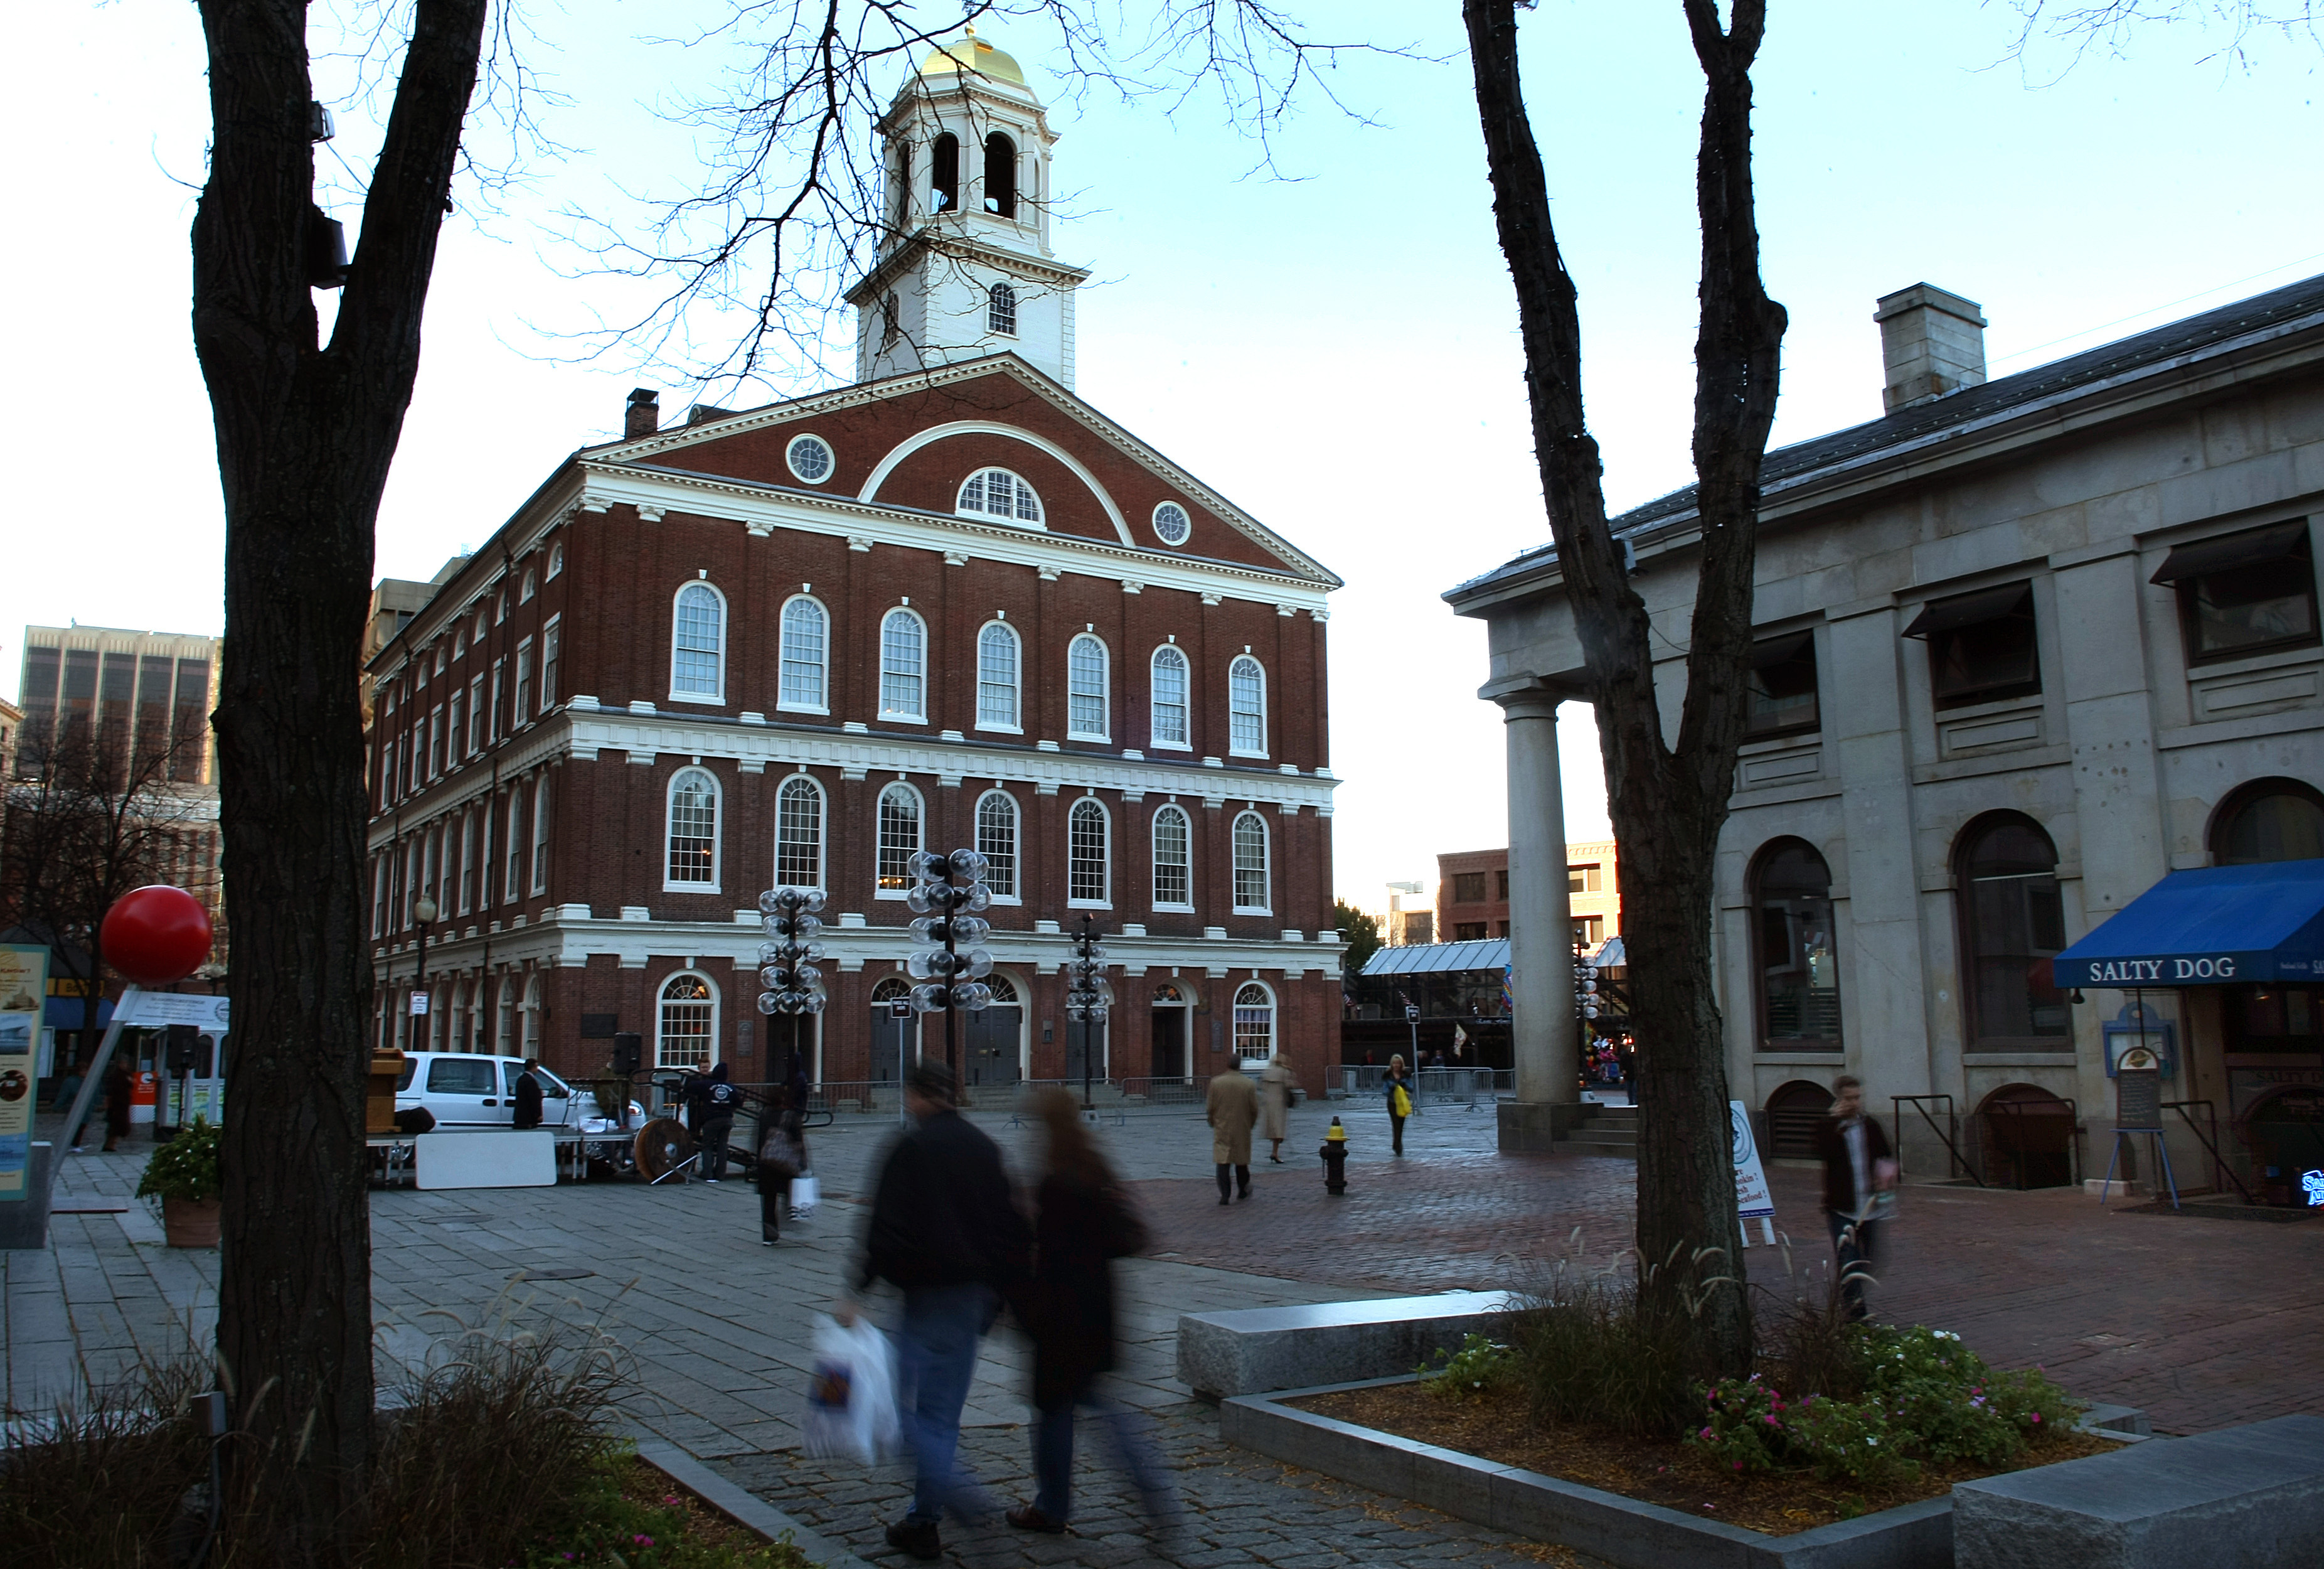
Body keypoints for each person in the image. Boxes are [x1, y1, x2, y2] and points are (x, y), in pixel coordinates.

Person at [839, 1061, 1030, 1563]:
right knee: (942, 1417)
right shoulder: (984, 1148)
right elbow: (1012, 1230)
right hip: (971, 1299)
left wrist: (857, 1289)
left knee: (892, 1410)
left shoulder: (912, 1146)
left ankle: (962, 1499)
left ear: (918, 1095)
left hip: (923, 1298)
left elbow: (885, 1226)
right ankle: (924, 1521)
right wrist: (1006, 1297)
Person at [1006, 1089, 1178, 1536]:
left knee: (1053, 1413)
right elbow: (1122, 1236)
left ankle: (1052, 1506)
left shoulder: (1055, 1180)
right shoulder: (1093, 1166)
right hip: (1099, 1305)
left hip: (1059, 1314)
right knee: (1105, 1409)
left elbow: (1044, 1253)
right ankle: (1154, 1491)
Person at [1813, 1074, 1897, 1320]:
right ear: (1839, 1099)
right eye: (1849, 1099)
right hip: (1842, 1208)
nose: (1854, 1103)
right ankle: (1856, 1319)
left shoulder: (1870, 1125)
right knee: (1848, 1262)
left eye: (1857, 1098)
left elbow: (1886, 1156)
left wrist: (1886, 1179)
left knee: (1869, 1261)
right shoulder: (1828, 1126)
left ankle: (1849, 1304)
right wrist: (1836, 1124)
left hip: (1870, 1207)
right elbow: (1822, 1152)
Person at [1205, 1059, 1259, 1203]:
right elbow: (1254, 1109)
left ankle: (1225, 1195)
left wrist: (1212, 1121)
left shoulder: (1216, 1083)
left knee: (1223, 1161)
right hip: (1242, 1126)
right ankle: (1242, 1190)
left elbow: (1211, 1107)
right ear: (1240, 1065)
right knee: (1241, 1161)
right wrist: (1250, 1124)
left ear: (1227, 1065)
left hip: (1222, 1126)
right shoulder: (1248, 1083)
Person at [756, 1101, 806, 1245]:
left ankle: (769, 1235)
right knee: (790, 1193)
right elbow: (799, 1142)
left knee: (768, 1200)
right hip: (786, 1165)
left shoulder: (764, 1115)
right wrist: (803, 1163)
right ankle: (791, 1220)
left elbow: (759, 1140)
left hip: (767, 1162)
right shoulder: (791, 1116)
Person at [690, 1061, 741, 1181]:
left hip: (711, 1119)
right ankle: (720, 1174)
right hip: (727, 1119)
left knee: (707, 1146)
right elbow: (738, 1103)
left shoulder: (707, 1084)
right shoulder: (731, 1088)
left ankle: (707, 1174)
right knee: (722, 1147)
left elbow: (691, 1086)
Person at [1259, 1053, 1298, 1164]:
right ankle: (1275, 1152)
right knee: (1279, 1129)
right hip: (1279, 1102)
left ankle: (1275, 1151)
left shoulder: (1267, 1071)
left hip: (1268, 1102)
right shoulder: (1284, 1071)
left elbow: (1261, 1086)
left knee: (1272, 1127)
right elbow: (1289, 1085)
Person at [1383, 1053, 1416, 1155]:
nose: (1396, 1065)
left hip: (1403, 1103)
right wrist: (1391, 1088)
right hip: (1392, 1103)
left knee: (1401, 1125)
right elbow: (1384, 1091)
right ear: (1392, 1064)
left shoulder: (1406, 1075)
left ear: (1401, 1064)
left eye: (1398, 1063)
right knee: (1396, 1124)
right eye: (1394, 1063)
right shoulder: (1388, 1076)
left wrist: (1405, 1085)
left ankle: (1396, 1143)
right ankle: (1398, 1145)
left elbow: (1411, 1088)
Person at [101, 1058, 135, 1153]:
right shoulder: (116, 1076)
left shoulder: (127, 1075)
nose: (124, 1065)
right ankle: (109, 1145)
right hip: (116, 1104)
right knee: (115, 1126)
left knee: (118, 1126)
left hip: (123, 1104)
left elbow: (131, 1085)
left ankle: (111, 1144)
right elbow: (110, 1091)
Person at [511, 1058, 545, 1130]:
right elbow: (534, 1100)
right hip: (528, 1118)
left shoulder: (520, 1079)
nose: (537, 1070)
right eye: (536, 1067)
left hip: (520, 1117)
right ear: (533, 1067)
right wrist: (538, 1115)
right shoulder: (531, 1081)